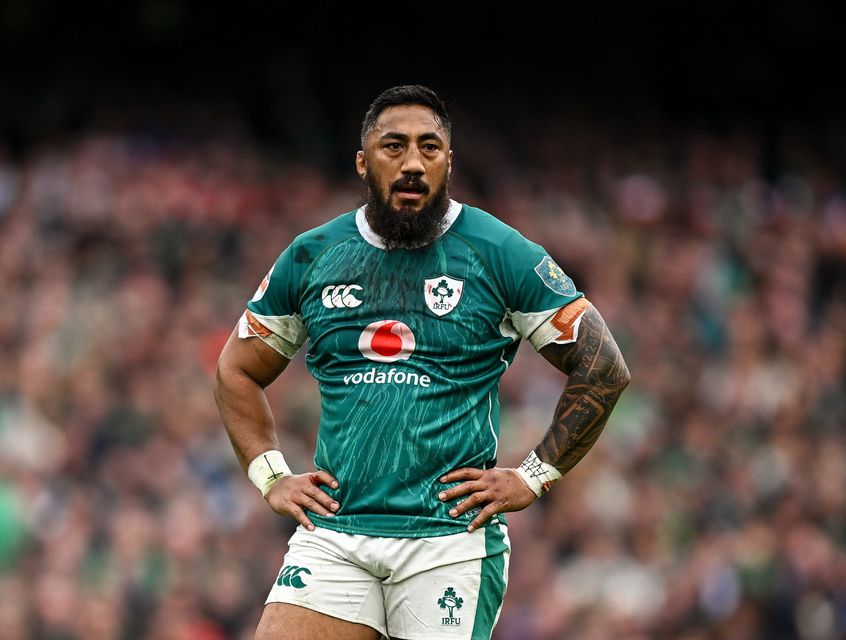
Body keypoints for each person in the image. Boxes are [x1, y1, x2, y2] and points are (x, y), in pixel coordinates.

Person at [213, 84, 630, 640]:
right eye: (394, 146)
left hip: (447, 542)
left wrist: (534, 476)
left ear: (448, 161)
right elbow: (236, 369)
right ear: (363, 163)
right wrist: (271, 477)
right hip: (335, 533)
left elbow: (602, 365)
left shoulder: (498, 250)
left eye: (429, 147)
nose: (413, 162)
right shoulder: (314, 254)